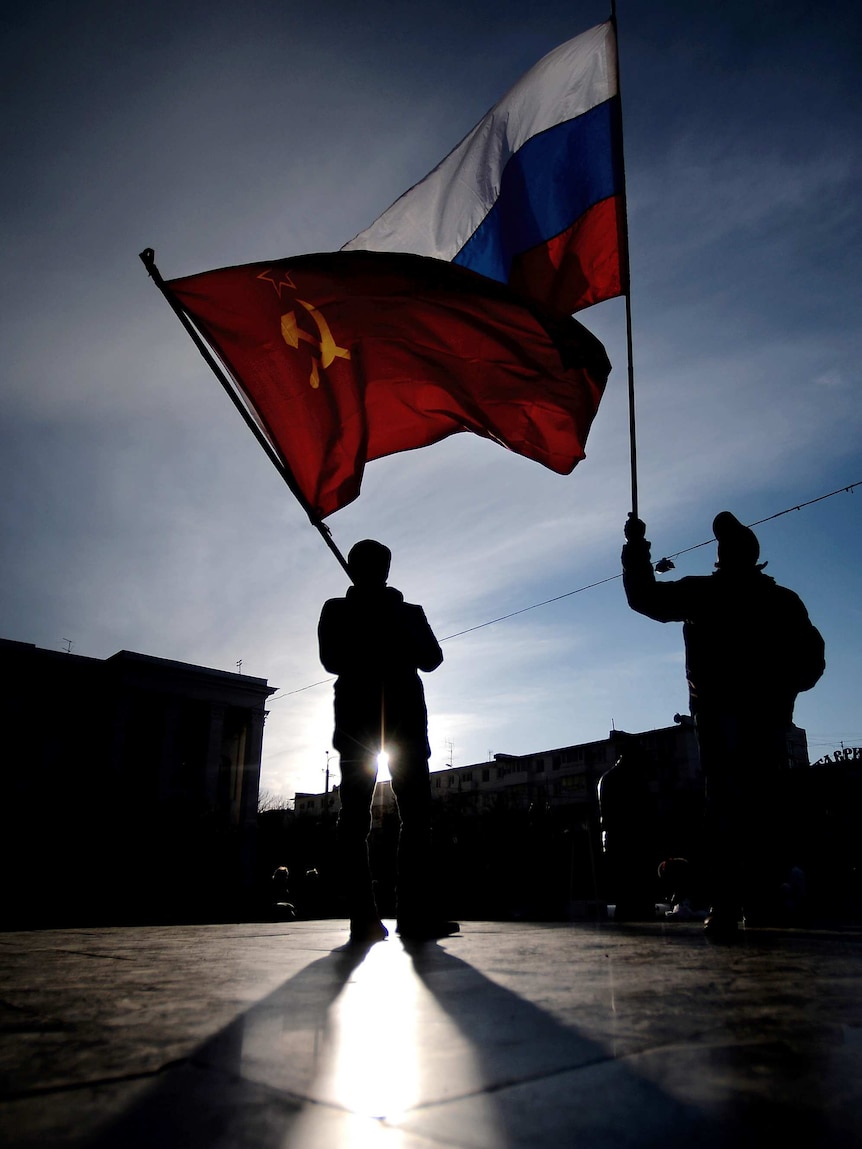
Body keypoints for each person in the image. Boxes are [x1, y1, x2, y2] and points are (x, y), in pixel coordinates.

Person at [622, 511, 825, 937]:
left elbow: (644, 597)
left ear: (722, 557)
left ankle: (729, 905)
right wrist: (782, 692)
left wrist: (637, 547)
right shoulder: (783, 602)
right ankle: (757, 901)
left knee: (727, 808)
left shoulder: (706, 594)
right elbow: (812, 662)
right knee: (762, 806)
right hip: (764, 720)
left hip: (719, 718)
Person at [318, 539, 458, 945]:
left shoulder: (408, 611)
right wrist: (378, 626)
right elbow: (331, 659)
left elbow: (432, 658)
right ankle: (363, 916)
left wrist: (397, 621)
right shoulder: (337, 609)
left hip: (406, 726)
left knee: (416, 815)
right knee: (355, 816)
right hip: (359, 725)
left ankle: (413, 914)